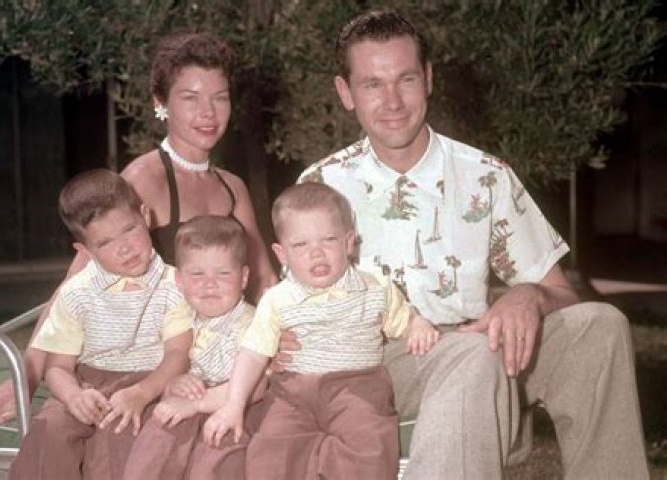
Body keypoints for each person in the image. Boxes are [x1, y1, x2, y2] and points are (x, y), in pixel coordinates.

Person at [290, 9, 650, 479]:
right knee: (473, 354)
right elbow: (294, 318)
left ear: (428, 79)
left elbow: (561, 293)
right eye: (373, 84)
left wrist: (529, 295)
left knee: (599, 326)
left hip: (475, 344)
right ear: (345, 93)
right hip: (376, 363)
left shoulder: (486, 175)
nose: (393, 101)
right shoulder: (322, 185)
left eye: (406, 79)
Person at [0, 31, 276, 423]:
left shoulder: (232, 187)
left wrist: (280, 337)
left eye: (219, 97)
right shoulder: (143, 179)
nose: (208, 112)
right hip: (164, 362)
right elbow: (75, 282)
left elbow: (264, 279)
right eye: (190, 98)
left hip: (227, 351)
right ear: (161, 103)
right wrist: (26, 377)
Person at [204, 182, 440, 480]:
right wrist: (233, 405)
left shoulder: (375, 287)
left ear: (348, 242)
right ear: (282, 254)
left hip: (358, 386)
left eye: (328, 240)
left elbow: (403, 321)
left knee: (369, 445)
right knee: (270, 450)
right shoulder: (277, 300)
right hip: (291, 393)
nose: (316, 254)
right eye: (300, 245)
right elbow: (252, 353)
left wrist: (417, 325)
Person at [9, 169, 193, 479]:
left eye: (129, 229)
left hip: (150, 380)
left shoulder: (174, 285)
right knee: (51, 428)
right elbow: (58, 367)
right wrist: (73, 396)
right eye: (105, 242)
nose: (124, 247)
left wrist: (142, 392)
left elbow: (178, 354)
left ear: (146, 216)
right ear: (85, 251)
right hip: (87, 383)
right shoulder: (76, 293)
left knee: (121, 435)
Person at [123, 215, 266, 480]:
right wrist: (175, 384)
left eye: (223, 273)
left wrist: (199, 404)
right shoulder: (181, 317)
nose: (210, 283)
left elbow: (258, 386)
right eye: (197, 274)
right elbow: (175, 363)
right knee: (155, 441)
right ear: (179, 279)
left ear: (244, 277)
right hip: (190, 403)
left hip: (236, 407)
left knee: (215, 461)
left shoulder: (252, 324)